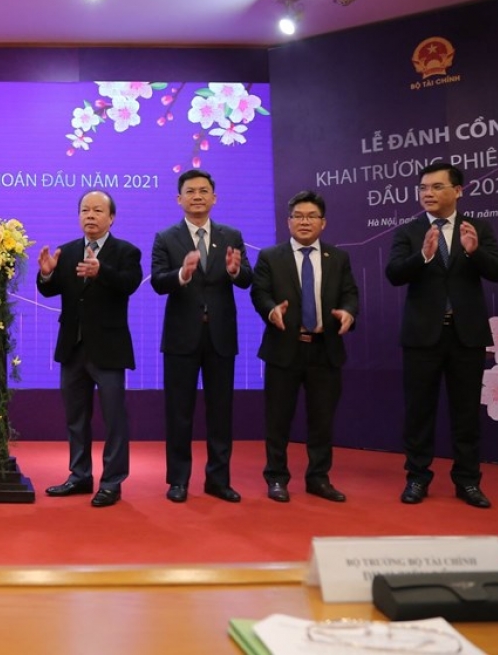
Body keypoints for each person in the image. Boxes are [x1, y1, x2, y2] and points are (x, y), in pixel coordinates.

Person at [385, 162, 498, 509]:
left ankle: (468, 482)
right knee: (419, 412)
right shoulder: (409, 231)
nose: (428, 193)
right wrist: (422, 257)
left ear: (458, 191)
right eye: (423, 187)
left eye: (437, 187)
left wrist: (474, 251)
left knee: (466, 412)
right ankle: (417, 478)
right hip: (422, 336)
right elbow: (393, 273)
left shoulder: (477, 228)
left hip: (465, 335)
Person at [151, 169, 252, 504]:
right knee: (179, 411)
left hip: (221, 336)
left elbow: (246, 277)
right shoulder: (166, 237)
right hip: (182, 337)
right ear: (179, 199)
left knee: (221, 411)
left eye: (204, 191)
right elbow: (157, 281)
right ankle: (178, 480)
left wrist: (236, 271)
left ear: (214, 198)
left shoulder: (231, 235)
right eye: (190, 191)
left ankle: (218, 479)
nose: (197, 196)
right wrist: (182, 273)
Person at [251, 191, 359, 503]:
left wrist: (348, 312)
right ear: (288, 221)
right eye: (298, 215)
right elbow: (260, 293)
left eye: (311, 216)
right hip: (284, 347)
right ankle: (276, 478)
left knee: (322, 420)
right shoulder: (271, 256)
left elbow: (350, 293)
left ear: (323, 223)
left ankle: (318, 478)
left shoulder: (338, 258)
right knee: (278, 419)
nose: (304, 221)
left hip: (325, 349)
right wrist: (272, 310)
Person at [36, 190, 142, 508]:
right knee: (76, 418)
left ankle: (112, 482)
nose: (90, 216)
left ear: (111, 217)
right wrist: (46, 273)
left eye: (98, 211)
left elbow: (130, 283)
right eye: (85, 210)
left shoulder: (126, 251)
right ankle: (80, 475)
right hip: (73, 348)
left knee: (114, 419)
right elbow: (49, 291)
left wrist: (102, 271)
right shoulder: (67, 252)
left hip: (109, 349)